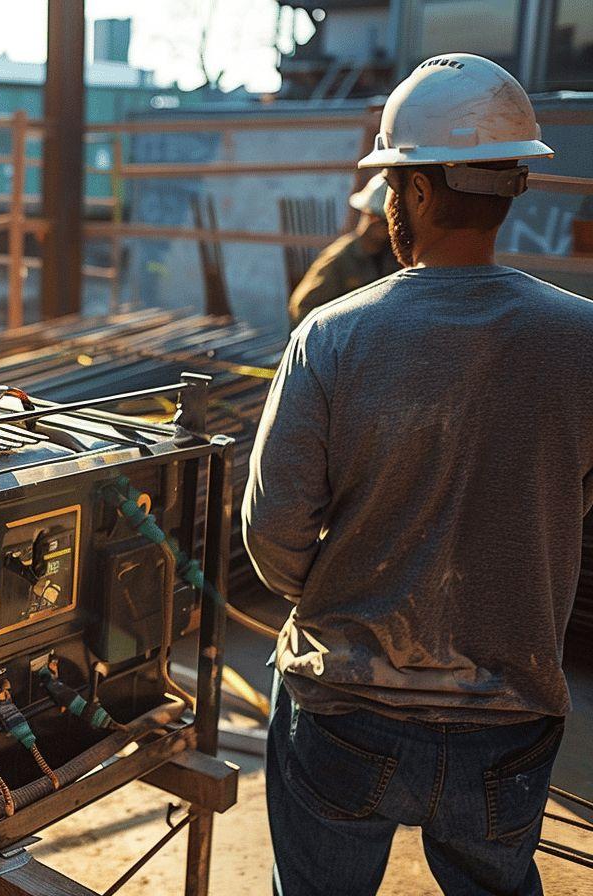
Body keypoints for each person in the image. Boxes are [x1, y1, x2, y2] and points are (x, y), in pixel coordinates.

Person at [244, 53, 587, 896]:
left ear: (421, 193)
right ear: (513, 185)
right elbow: (573, 500)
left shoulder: (332, 336)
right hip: (507, 712)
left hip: (346, 708)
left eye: (394, 183)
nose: (389, 203)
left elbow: (272, 533)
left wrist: (342, 590)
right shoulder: (583, 342)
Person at [287, 172, 396, 327]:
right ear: (372, 217)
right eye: (387, 224)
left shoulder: (391, 256)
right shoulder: (339, 258)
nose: (393, 231)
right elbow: (302, 309)